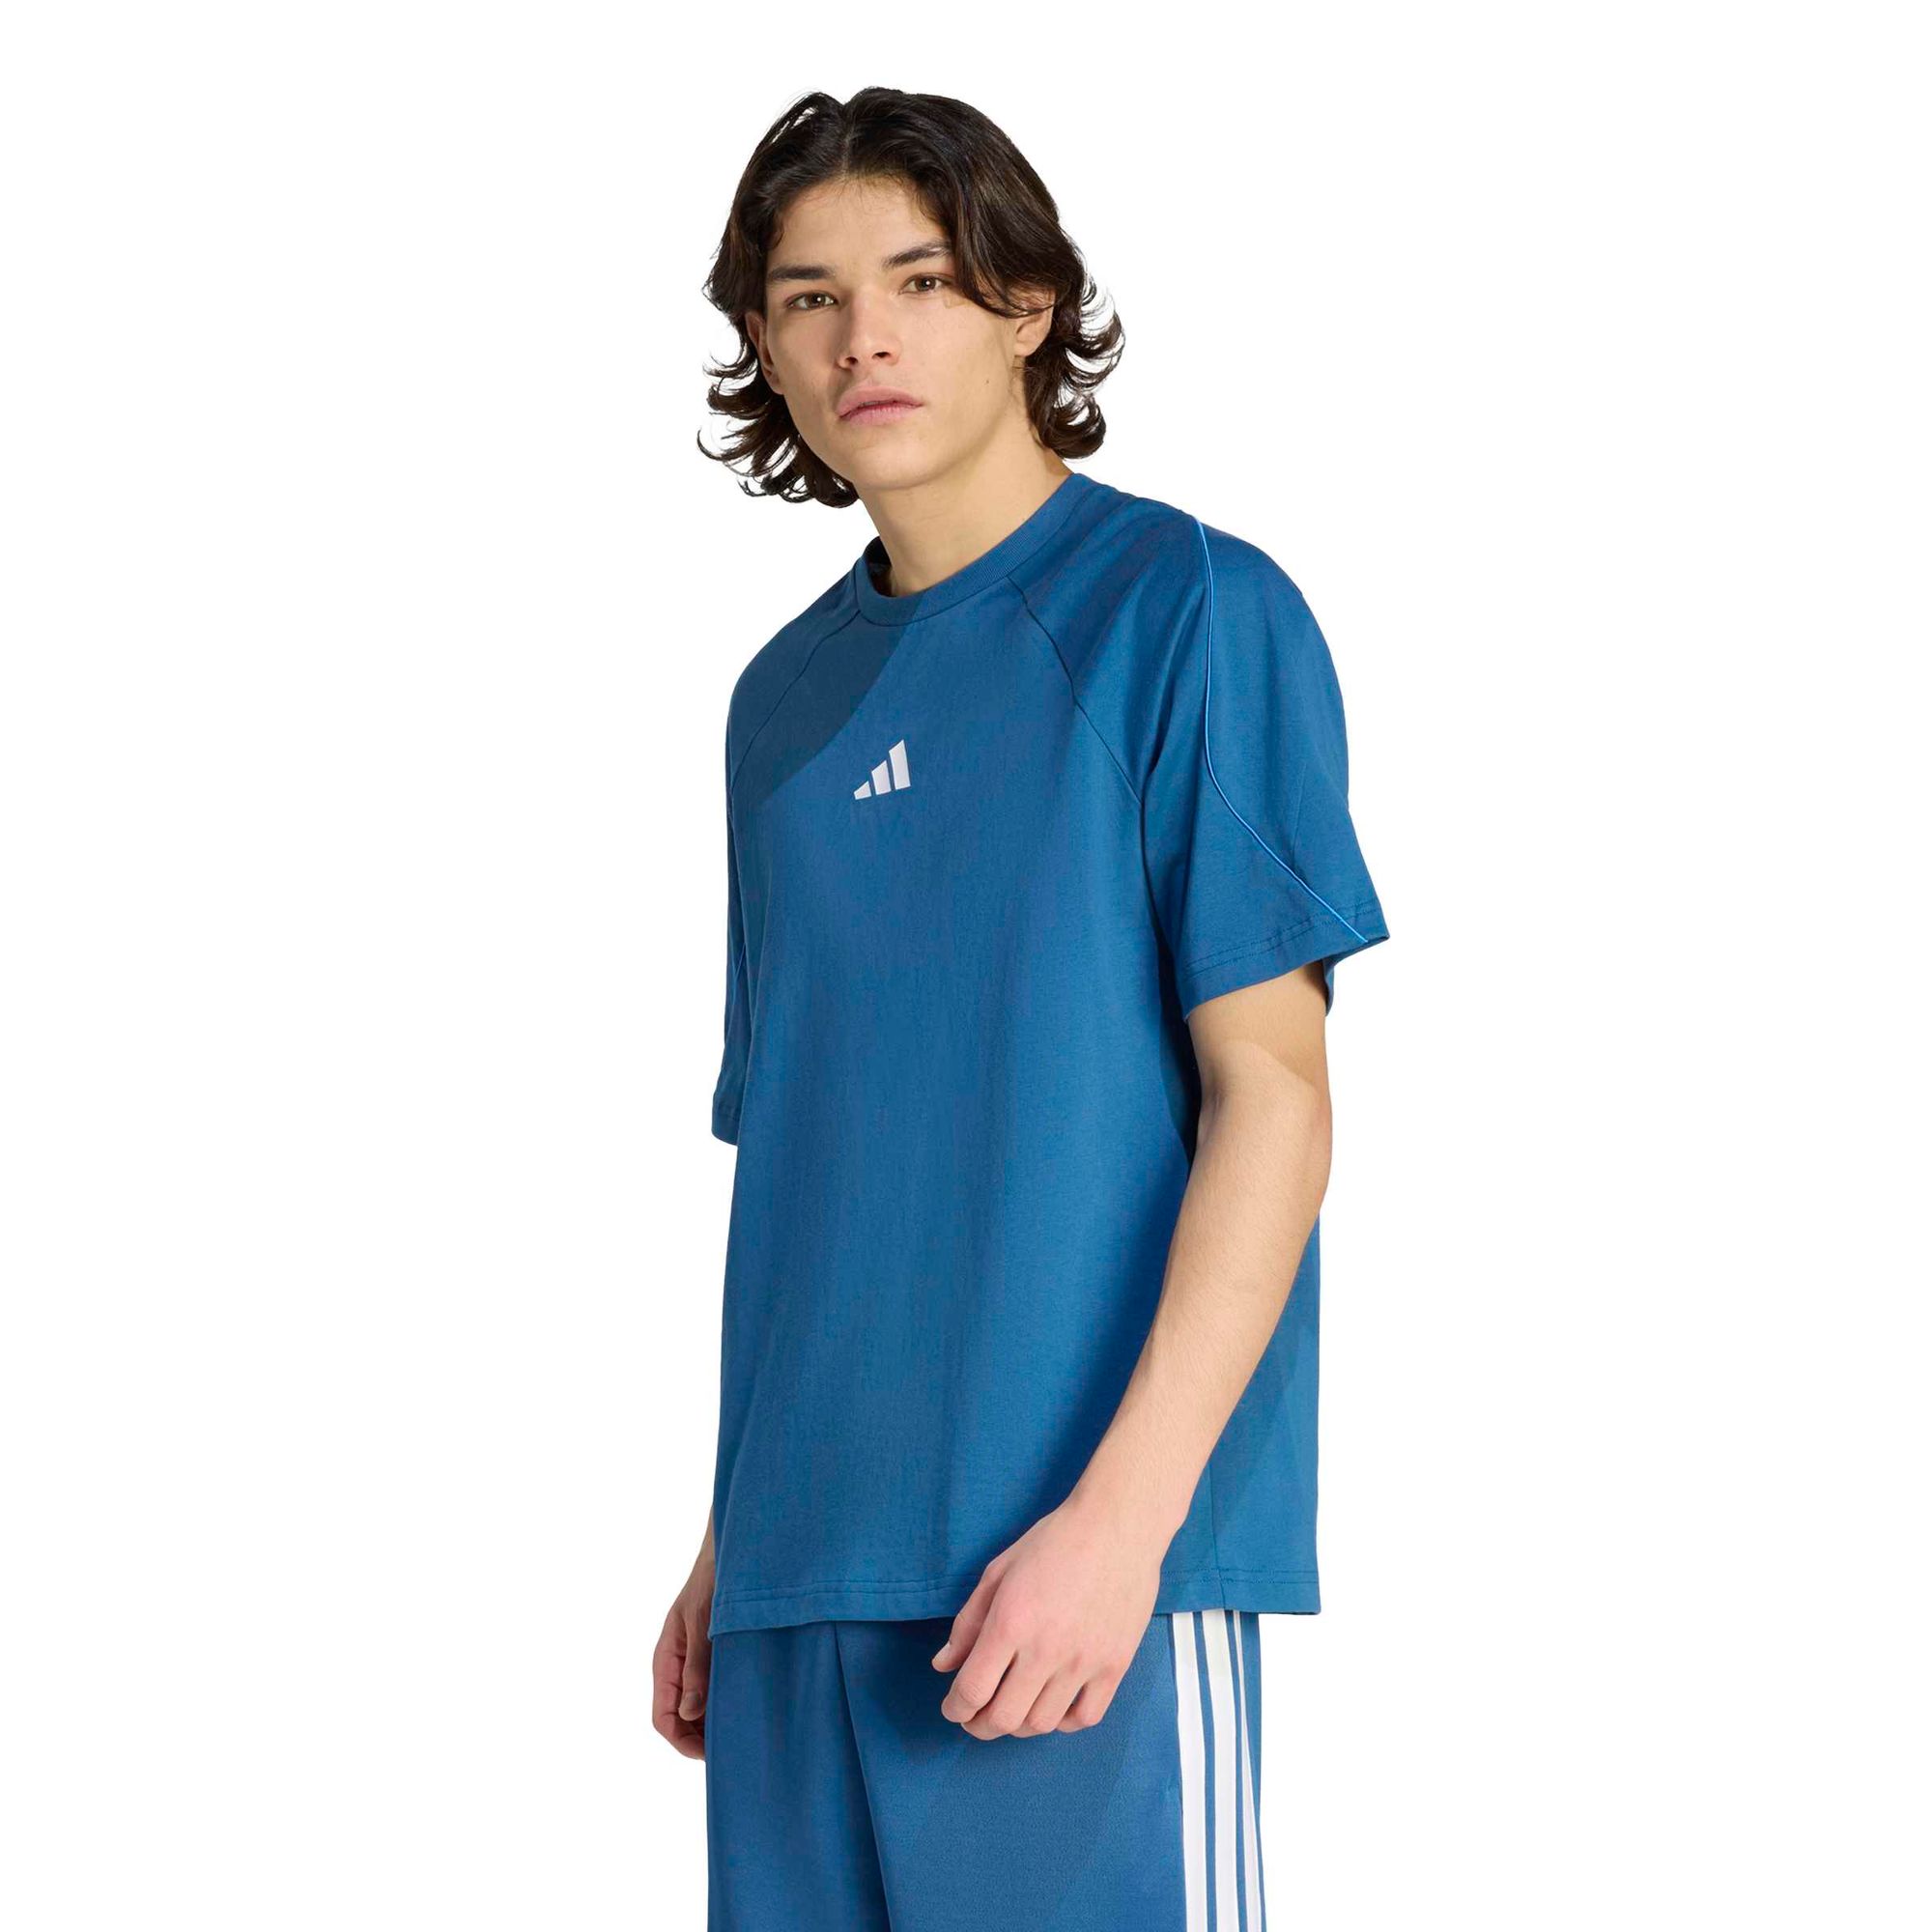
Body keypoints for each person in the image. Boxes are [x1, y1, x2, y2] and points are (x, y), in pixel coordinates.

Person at [657, 86, 1389, 1930]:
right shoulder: (776, 707)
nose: (864, 337)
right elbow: (817, 1166)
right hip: (800, 1585)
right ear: (766, 347)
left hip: (1067, 1580)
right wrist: (733, 1541)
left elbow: (1276, 1104)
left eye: (919, 280)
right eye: (809, 297)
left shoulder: (1185, 612)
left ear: (1027, 308)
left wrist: (1122, 1528)